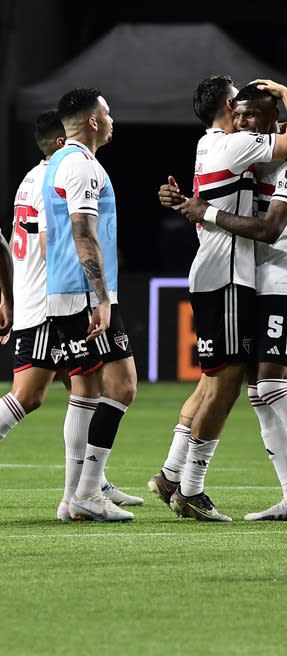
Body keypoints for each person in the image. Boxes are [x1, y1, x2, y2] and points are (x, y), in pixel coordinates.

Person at [148, 76, 287, 521]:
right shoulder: (235, 145)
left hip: (226, 274)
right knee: (228, 387)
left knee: (214, 381)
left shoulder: (212, 144)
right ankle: (191, 488)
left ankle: (172, 473)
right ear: (230, 107)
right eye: (240, 109)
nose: (244, 118)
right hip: (227, 276)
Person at [2, 110, 143, 519]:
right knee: (39, 393)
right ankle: (80, 493)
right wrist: (88, 296)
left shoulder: (32, 178)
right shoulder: (61, 174)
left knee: (88, 386)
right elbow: (52, 242)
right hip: (53, 301)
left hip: (40, 295)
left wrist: (8, 295)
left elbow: (15, 238)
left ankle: (90, 483)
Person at [41, 88, 138, 522]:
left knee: (86, 391)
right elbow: (83, 232)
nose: (113, 118)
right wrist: (101, 298)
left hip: (66, 290)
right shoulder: (82, 166)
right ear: (94, 120)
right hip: (84, 294)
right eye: (109, 111)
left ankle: (74, 498)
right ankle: (86, 492)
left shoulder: (57, 164)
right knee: (122, 386)